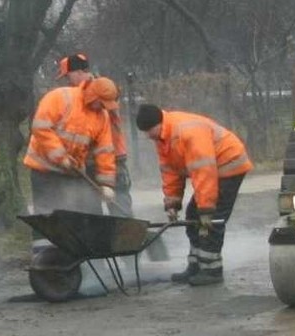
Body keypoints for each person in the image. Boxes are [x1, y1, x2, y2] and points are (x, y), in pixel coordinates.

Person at [135, 104, 253, 286]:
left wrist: (206, 208)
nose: (147, 135)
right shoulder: (162, 138)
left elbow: (204, 171)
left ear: (159, 123)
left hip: (229, 165)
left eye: (149, 130)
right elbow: (170, 172)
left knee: (211, 219)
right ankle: (196, 265)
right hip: (211, 169)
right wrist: (172, 203)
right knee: (192, 216)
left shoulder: (187, 132)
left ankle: (212, 270)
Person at [23, 76, 118, 255]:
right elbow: (41, 128)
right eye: (102, 103)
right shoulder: (60, 98)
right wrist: (61, 158)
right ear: (93, 96)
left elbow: (104, 151)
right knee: (47, 215)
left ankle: (77, 257)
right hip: (44, 170)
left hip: (71, 172)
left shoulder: (102, 117)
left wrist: (107, 184)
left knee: (78, 212)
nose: (104, 107)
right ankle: (45, 261)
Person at [56, 53, 133, 217]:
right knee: (90, 211)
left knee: (119, 207)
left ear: (77, 73)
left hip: (111, 157)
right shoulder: (81, 94)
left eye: (67, 77)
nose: (67, 82)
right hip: (89, 160)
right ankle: (99, 240)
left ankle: (128, 239)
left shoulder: (102, 90)